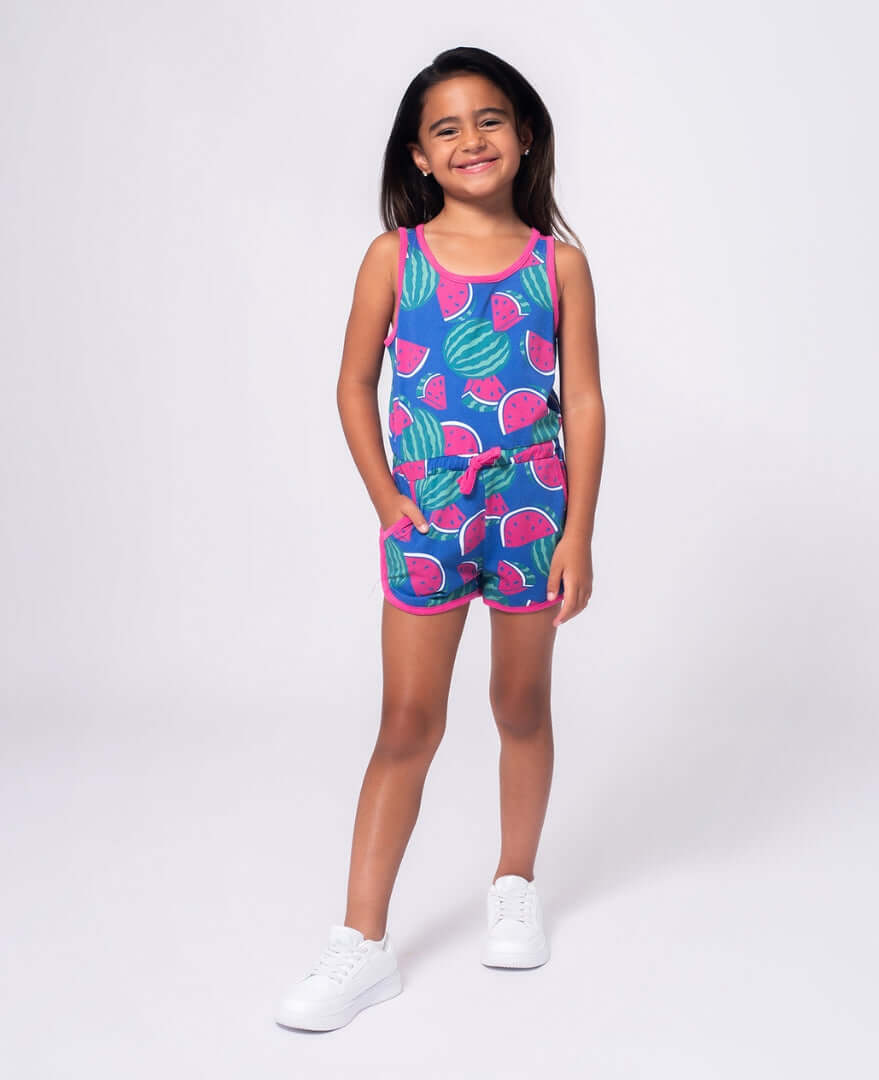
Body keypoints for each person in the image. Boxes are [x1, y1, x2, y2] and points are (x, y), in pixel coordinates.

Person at [275, 45, 604, 1032]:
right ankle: (361, 944)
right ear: (418, 155)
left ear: (525, 134)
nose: (471, 139)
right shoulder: (395, 257)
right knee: (408, 723)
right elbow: (352, 384)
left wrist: (579, 534)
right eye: (446, 128)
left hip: (532, 511)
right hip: (428, 517)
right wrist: (388, 500)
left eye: (490, 119)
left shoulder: (559, 264)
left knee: (520, 705)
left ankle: (515, 883)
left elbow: (584, 402)